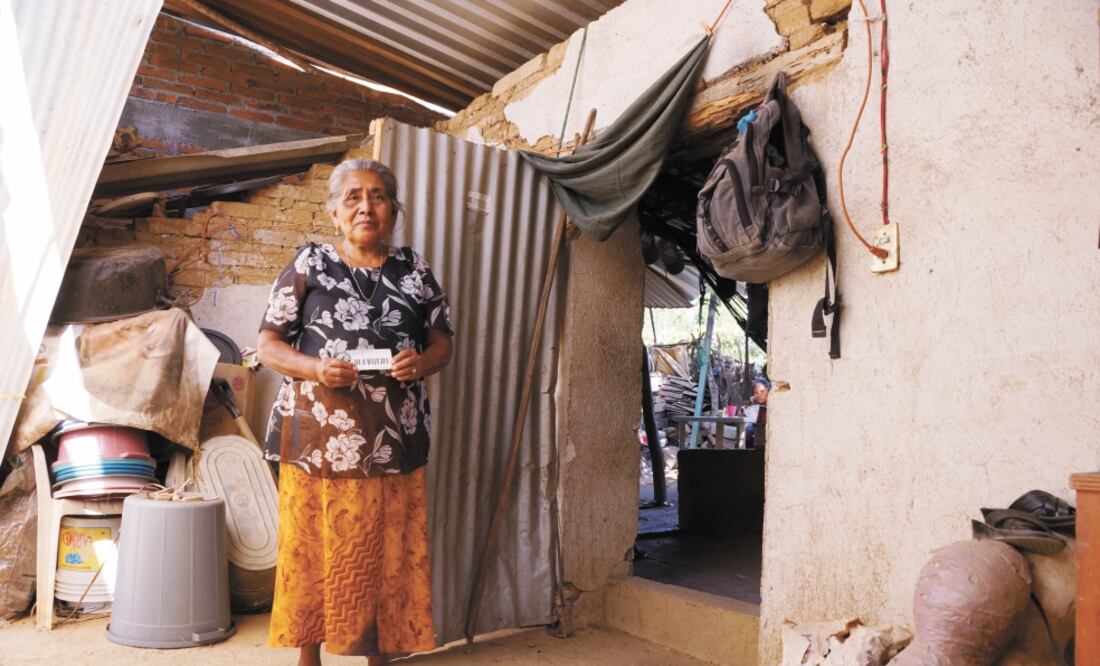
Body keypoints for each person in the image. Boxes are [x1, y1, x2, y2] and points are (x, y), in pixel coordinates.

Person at [257, 158, 453, 666]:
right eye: (353, 197)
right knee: (311, 545)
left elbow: (443, 343)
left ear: (394, 209)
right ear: (335, 212)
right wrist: (316, 369)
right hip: (316, 439)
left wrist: (421, 363)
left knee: (386, 547)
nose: (366, 206)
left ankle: (378, 653)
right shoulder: (310, 264)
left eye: (378, 196)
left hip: (394, 438)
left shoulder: (415, 270)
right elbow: (269, 345)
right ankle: (308, 654)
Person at [743, 380, 769, 448]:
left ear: (768, 392)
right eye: (756, 392)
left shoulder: (771, 403)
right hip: (753, 429)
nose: (759, 394)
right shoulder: (753, 405)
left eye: (762, 391)